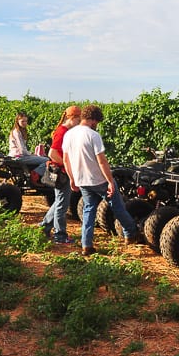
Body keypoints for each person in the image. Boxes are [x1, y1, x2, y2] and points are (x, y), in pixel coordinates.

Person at [62, 105, 140, 256]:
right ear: (92, 120)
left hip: (81, 180)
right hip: (98, 179)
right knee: (117, 206)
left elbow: (66, 160)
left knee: (89, 210)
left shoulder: (69, 135)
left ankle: (86, 245)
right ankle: (130, 233)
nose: (96, 125)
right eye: (96, 122)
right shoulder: (93, 135)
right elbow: (102, 161)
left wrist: (72, 179)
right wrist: (110, 181)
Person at [39, 106, 82, 244]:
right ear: (72, 118)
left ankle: (44, 227)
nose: (79, 123)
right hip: (61, 173)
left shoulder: (66, 131)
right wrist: (66, 164)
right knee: (62, 205)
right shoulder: (62, 132)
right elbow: (52, 153)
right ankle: (60, 235)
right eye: (79, 119)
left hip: (63, 171)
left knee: (59, 202)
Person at [8, 112, 48, 182]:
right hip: (19, 156)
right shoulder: (17, 132)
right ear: (17, 121)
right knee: (46, 160)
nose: (24, 123)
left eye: (26, 121)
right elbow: (22, 150)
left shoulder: (18, 131)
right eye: (22, 121)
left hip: (16, 155)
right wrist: (31, 154)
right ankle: (35, 174)